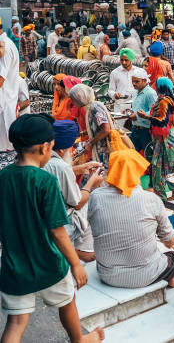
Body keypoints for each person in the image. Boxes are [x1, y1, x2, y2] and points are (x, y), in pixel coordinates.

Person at [0, 114, 105, 343]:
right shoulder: (44, 181)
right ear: (43, 147)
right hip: (49, 261)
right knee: (67, 301)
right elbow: (58, 231)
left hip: (14, 264)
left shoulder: (3, 177)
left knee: (16, 322)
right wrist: (76, 264)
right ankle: (79, 339)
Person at [88, 148, 174, 288]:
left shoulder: (95, 197)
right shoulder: (150, 199)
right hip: (147, 274)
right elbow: (170, 240)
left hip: (107, 275)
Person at [44, 120, 104, 262]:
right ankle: (83, 250)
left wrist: (80, 168)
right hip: (59, 227)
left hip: (41, 221)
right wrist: (92, 182)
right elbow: (77, 203)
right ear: (62, 150)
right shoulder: (61, 167)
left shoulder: (41, 158)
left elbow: (56, 172)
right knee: (94, 202)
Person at [137, 77, 174, 202]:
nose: (153, 85)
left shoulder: (163, 101)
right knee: (168, 166)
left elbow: (162, 120)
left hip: (165, 139)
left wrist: (146, 116)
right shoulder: (166, 100)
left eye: (156, 84)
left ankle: (162, 195)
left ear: (161, 87)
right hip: (167, 138)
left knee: (159, 168)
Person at [69, 84, 112, 166]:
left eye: (73, 100)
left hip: (104, 148)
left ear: (79, 98)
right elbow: (97, 128)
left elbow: (105, 129)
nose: (73, 103)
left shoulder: (94, 107)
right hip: (100, 146)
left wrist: (91, 143)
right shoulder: (89, 107)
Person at [0, 21, 22, 151]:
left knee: (4, 148)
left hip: (5, 103)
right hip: (6, 102)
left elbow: (1, 80)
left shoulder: (5, 48)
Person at [128, 67, 157, 154]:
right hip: (135, 129)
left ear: (144, 80)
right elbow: (136, 108)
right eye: (133, 81)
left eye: (137, 82)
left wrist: (136, 115)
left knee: (148, 156)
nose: (134, 84)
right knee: (133, 156)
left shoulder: (150, 93)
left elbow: (154, 111)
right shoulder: (135, 92)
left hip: (146, 131)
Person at [108, 48, 137, 118]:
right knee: (120, 127)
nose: (123, 62)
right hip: (120, 107)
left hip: (135, 106)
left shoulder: (138, 72)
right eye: (122, 60)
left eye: (126, 60)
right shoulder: (115, 73)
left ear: (131, 59)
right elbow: (110, 90)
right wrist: (114, 94)